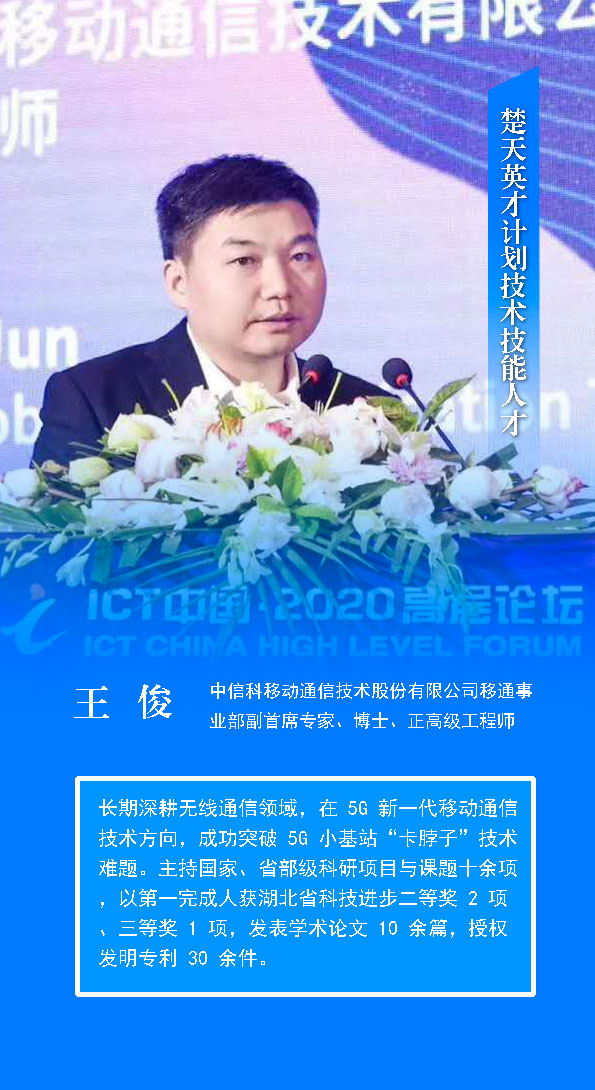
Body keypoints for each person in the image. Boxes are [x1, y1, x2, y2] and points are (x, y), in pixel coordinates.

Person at [32, 154, 387, 467]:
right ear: (179, 283)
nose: (280, 286)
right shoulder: (96, 401)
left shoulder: (368, 415)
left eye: (300, 256)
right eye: (244, 260)